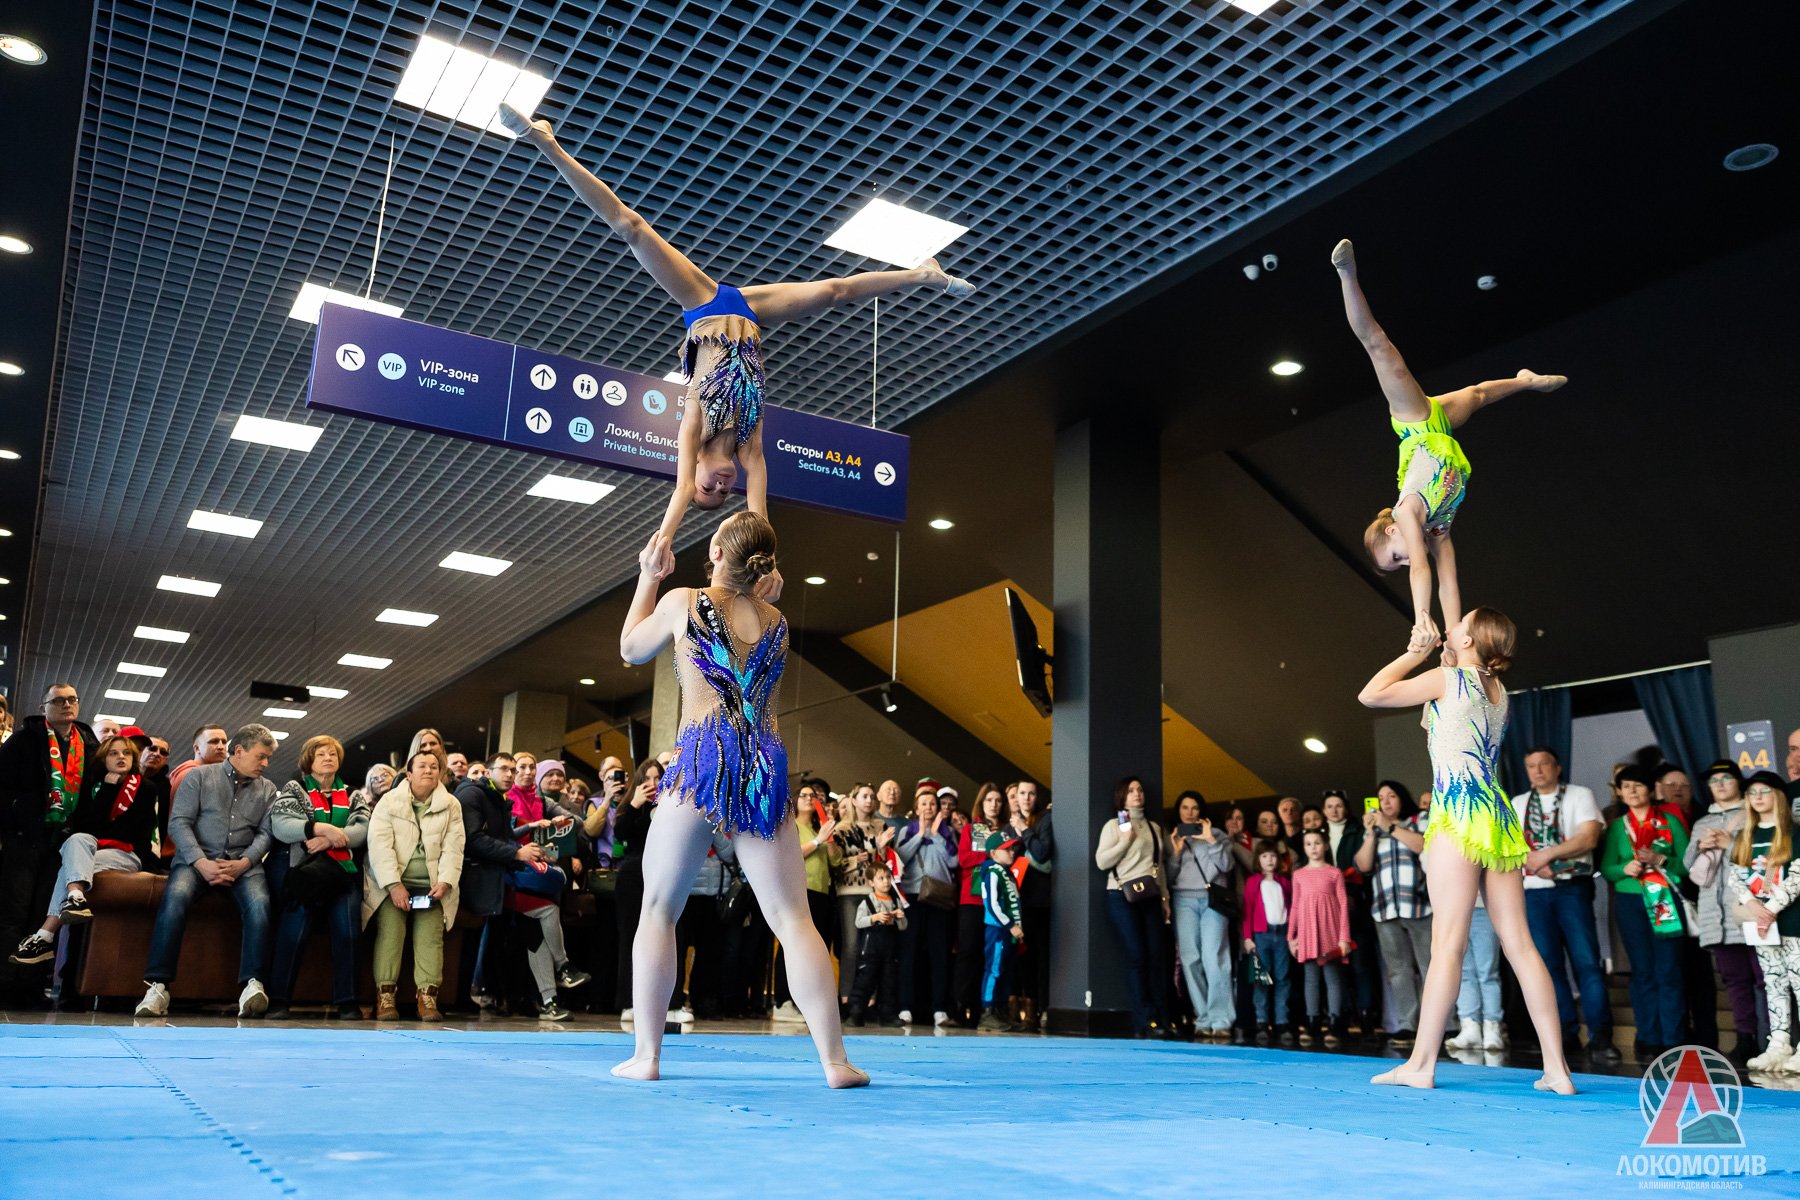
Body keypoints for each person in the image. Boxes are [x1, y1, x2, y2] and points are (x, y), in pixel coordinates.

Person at [498, 101, 973, 585]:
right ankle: (924, 274)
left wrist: (661, 546)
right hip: (749, 312)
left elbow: (679, 490)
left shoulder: (693, 428)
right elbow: (759, 513)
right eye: (724, 494)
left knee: (632, 228)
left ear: (696, 474)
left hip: (703, 306)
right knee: (836, 291)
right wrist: (769, 564)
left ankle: (543, 139)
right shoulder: (749, 447)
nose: (721, 487)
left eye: (709, 489)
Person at [613, 511, 865, 1087]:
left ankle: (647, 1056)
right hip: (763, 763)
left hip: (704, 755)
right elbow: (752, 566)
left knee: (659, 909)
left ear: (716, 554)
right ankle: (835, 1061)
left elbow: (630, 648)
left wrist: (649, 574)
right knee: (794, 920)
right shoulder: (777, 620)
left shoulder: (683, 601)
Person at [1357, 608, 1575, 1093]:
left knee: (1447, 946)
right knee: (1520, 945)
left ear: (1472, 639)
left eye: (1460, 624)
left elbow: (1371, 694)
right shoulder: (1499, 691)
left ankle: (1421, 1065)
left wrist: (1413, 654)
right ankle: (1557, 1070)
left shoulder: (1448, 680)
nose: (1451, 626)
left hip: (1457, 810)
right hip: (1496, 814)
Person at [1335, 239, 1565, 642]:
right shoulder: (1438, 527)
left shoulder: (1408, 512)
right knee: (1478, 395)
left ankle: (1346, 273)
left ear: (1392, 532)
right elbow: (1449, 582)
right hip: (1438, 430)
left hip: (1415, 424)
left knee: (1378, 346)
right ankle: (1526, 381)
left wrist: (1421, 620)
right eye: (1399, 566)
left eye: (1396, 558)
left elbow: (1422, 572)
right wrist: (1454, 638)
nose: (1406, 561)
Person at [134, 724, 280, 1019]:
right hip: (195, 861)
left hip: (243, 864)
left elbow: (266, 834)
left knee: (261, 906)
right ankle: (158, 987)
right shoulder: (199, 776)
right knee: (174, 899)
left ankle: (252, 985)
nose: (265, 764)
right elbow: (179, 823)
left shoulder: (268, 789)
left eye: (268, 758)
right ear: (239, 751)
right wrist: (202, 863)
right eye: (261, 756)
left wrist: (245, 862)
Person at [1510, 746, 1617, 1063]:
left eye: (1544, 764)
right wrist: (1534, 862)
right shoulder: (1518, 803)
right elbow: (1512, 845)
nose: (1538, 770)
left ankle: (1601, 1038)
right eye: (1531, 765)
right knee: (1548, 967)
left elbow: (1588, 838)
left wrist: (1546, 857)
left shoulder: (1579, 795)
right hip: (1533, 890)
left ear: (1557, 768)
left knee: (1587, 964)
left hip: (1572, 888)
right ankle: (1565, 1035)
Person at [9, 735, 151, 966]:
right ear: (104, 759)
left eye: (126, 753)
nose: (121, 757)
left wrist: (110, 797)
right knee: (76, 839)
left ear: (134, 758)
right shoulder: (94, 786)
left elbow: (129, 832)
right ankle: (75, 898)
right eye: (114, 753)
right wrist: (107, 789)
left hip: (126, 853)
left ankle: (45, 935)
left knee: (70, 867)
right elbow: (88, 828)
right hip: (91, 849)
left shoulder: (146, 787)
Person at [0, 682, 102, 998]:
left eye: (72, 699)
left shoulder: (89, 744)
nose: (66, 704)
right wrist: (20, 810)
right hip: (25, 837)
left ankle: (30, 986)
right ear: (44, 707)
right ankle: (5, 982)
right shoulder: (24, 740)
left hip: (62, 840)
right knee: (14, 910)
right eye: (58, 700)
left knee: (45, 910)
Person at [264, 735, 369, 1020]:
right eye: (321, 754)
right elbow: (282, 825)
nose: (328, 758)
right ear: (309, 760)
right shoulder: (294, 788)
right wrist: (320, 829)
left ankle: (348, 1003)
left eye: (332, 754)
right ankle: (279, 1001)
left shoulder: (353, 794)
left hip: (341, 873)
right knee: (293, 927)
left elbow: (363, 828)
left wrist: (330, 839)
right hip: (305, 872)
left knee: (348, 929)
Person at [363, 750, 465, 1021]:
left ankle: (428, 998)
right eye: (422, 766)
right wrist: (393, 885)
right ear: (408, 774)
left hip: (432, 886)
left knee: (430, 937)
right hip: (391, 883)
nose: (429, 770)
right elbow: (379, 846)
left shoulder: (451, 804)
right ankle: (385, 997)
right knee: (390, 933)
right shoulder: (389, 801)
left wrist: (445, 882)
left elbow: (454, 847)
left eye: (434, 766)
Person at [1601, 764, 1691, 1054]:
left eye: (1638, 785)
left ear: (1651, 791)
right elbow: (1606, 869)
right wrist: (1623, 868)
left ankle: (1673, 1038)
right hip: (1630, 902)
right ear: (1619, 792)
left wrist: (1661, 860)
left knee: (1669, 970)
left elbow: (1688, 864)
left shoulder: (1669, 821)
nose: (1632, 791)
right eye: (1626, 786)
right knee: (1642, 971)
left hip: (1663, 898)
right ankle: (1649, 1036)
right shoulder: (1617, 826)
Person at [1688, 760, 1768, 1065]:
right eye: (1714, 780)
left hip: (1750, 909)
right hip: (1715, 916)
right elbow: (1688, 867)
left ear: (1738, 782)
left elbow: (1765, 855)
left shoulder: (1753, 813)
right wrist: (1701, 846)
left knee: (1766, 979)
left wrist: (1730, 843)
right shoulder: (1702, 822)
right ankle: (1745, 1038)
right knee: (1735, 981)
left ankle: (1772, 1038)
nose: (1720, 784)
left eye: (1726, 778)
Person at [459, 752, 545, 1011]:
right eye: (505, 769)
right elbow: (473, 839)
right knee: (470, 941)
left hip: (493, 877)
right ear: (488, 772)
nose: (510, 774)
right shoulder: (472, 794)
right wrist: (516, 853)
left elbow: (503, 838)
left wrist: (531, 852)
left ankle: (492, 996)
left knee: (491, 939)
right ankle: (461, 997)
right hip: (473, 878)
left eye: (512, 770)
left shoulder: (499, 799)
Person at [1730, 772, 1800, 1071]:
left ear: (1779, 796)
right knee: (1773, 982)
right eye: (1752, 792)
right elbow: (1735, 876)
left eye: (1764, 791)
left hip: (1792, 922)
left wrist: (1770, 908)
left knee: (1798, 981)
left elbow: (1796, 876)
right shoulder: (1745, 835)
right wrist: (1751, 905)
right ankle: (1779, 1044)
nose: (1757, 797)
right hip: (1760, 924)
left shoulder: (1794, 833)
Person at [1353, 780, 1431, 1046]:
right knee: (1398, 970)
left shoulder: (1417, 821)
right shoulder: (1375, 832)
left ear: (1402, 798)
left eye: (1391, 796)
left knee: (1430, 966)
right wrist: (1371, 833)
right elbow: (1363, 866)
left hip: (1419, 905)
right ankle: (1408, 1025)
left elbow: (1424, 846)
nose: (1385, 802)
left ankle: (1442, 1024)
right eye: (1381, 798)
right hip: (1385, 910)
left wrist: (1390, 827)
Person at [1095, 775, 1171, 1037]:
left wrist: (1165, 898)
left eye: (1139, 789)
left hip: (1150, 895)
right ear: (1122, 797)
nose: (1137, 794)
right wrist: (1125, 841)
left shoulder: (1154, 827)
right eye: (1131, 791)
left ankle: (1161, 1018)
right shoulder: (1113, 825)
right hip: (1121, 895)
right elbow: (1101, 861)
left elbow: (1159, 866)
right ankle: (1144, 1020)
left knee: (1155, 957)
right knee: (1136, 956)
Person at [1167, 790, 1234, 1039]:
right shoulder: (1173, 837)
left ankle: (1221, 1019)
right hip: (1183, 900)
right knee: (1190, 958)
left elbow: (1227, 866)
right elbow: (1169, 877)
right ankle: (1203, 1017)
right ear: (1179, 811)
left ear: (1201, 811)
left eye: (1194, 808)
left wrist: (1211, 840)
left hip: (1213, 900)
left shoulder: (1217, 834)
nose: (1190, 812)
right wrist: (1175, 852)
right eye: (1185, 808)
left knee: (1213, 957)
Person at [895, 786, 958, 1026]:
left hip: (939, 899)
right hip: (911, 897)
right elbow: (900, 859)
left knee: (939, 954)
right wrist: (920, 835)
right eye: (924, 803)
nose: (928, 808)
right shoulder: (907, 830)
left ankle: (939, 1008)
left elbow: (954, 860)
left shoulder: (948, 832)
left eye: (932, 804)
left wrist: (936, 835)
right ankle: (905, 1007)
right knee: (909, 953)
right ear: (916, 807)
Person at [1287, 828, 1352, 1047]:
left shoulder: (1334, 873)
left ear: (1325, 845)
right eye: (1308, 844)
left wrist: (1344, 937)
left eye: (1317, 843)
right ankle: (1312, 1022)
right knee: (1311, 979)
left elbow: (1343, 904)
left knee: (1333, 979)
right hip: (1307, 932)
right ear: (1304, 848)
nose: (1313, 847)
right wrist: (1291, 936)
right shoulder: (1299, 874)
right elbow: (1295, 906)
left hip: (1330, 932)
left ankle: (1334, 1023)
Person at [830, 781, 892, 1007]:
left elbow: (887, 865)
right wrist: (856, 860)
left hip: (875, 893)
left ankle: (869, 998)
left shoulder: (880, 826)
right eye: (864, 796)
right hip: (849, 891)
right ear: (853, 800)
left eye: (872, 797)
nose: (869, 800)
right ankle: (847, 997)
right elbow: (835, 865)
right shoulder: (842, 829)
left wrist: (881, 849)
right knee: (852, 945)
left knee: (873, 947)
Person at [955, 782, 1007, 1026]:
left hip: (999, 900)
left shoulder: (1006, 831)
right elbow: (963, 859)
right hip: (972, 898)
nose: (993, 805)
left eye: (998, 800)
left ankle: (985, 1009)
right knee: (968, 953)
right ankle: (960, 1007)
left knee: (992, 955)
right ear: (981, 803)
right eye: (989, 800)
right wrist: (990, 853)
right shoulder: (971, 829)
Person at [613, 757, 661, 1016]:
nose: (652, 783)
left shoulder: (669, 804)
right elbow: (620, 833)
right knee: (629, 939)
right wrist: (635, 804)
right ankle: (628, 1002)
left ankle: (662, 1003)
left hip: (660, 876)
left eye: (657, 778)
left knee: (661, 939)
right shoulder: (630, 805)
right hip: (632, 875)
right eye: (647, 778)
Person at [1008, 779, 1054, 1029]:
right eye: (1022, 793)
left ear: (1037, 798)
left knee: (1041, 956)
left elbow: (1042, 853)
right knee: (1021, 957)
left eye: (1031, 794)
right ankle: (1024, 1009)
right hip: (1017, 900)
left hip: (1040, 899)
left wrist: (1025, 830)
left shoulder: (1044, 820)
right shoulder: (1009, 825)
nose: (1026, 798)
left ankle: (1043, 1008)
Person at [1242, 838, 1293, 1045]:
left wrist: (1292, 935)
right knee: (1261, 980)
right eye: (1264, 856)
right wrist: (1247, 937)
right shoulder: (1253, 882)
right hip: (1261, 936)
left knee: (1283, 978)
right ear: (1258, 860)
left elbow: (1291, 908)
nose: (1269, 860)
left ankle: (1282, 1022)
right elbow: (1248, 911)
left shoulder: (1284, 882)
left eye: (1273, 856)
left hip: (1281, 935)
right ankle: (1262, 1022)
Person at [844, 861, 906, 1027]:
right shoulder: (867, 902)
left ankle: (888, 1015)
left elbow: (903, 926)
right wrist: (875, 918)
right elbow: (858, 922)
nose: (886, 881)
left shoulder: (895, 901)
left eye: (888, 877)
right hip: (871, 948)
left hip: (889, 948)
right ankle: (856, 1012)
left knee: (889, 981)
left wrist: (899, 917)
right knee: (865, 980)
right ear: (871, 882)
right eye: (881, 878)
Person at [975, 832, 1024, 1030]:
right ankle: (987, 1012)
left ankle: (1001, 1012)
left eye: (1012, 848)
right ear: (994, 853)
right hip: (998, 930)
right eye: (1007, 849)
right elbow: (992, 905)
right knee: (994, 969)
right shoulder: (993, 873)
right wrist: (1010, 925)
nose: (1012, 852)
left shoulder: (1007, 873)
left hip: (1009, 932)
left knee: (1005, 970)